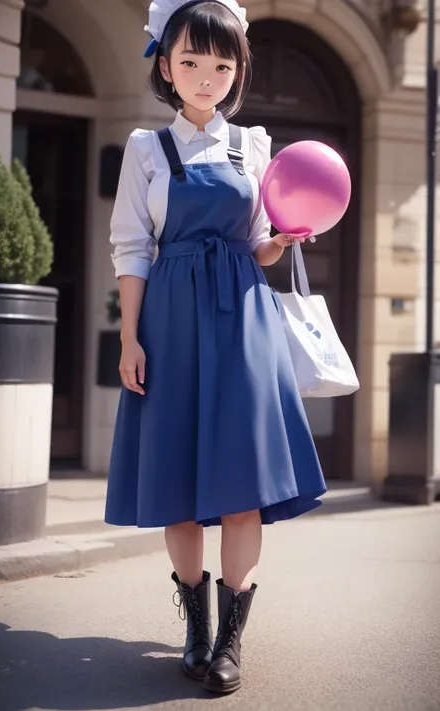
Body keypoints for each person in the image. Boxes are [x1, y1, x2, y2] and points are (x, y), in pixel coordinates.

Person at [105, 0, 326, 694]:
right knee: (176, 486)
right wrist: (129, 337)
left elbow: (257, 247)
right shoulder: (146, 149)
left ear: (238, 70)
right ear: (165, 65)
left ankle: (231, 639)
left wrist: (283, 238)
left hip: (242, 323)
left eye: (221, 64)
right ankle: (196, 629)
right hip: (169, 320)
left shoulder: (253, 146)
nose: (206, 76)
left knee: (242, 489)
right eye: (191, 61)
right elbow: (133, 249)